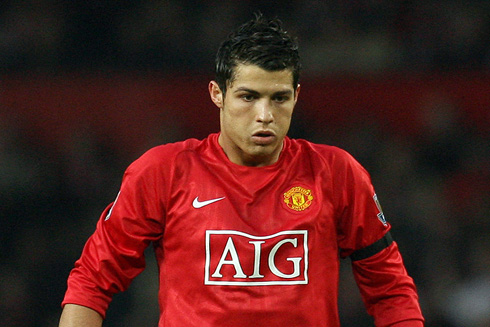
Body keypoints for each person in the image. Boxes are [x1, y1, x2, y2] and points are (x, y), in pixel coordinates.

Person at [59, 13, 424, 327]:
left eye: (279, 98)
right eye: (248, 97)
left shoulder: (337, 173)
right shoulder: (163, 172)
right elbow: (93, 279)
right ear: (217, 93)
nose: (265, 115)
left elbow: (391, 290)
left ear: (296, 95)